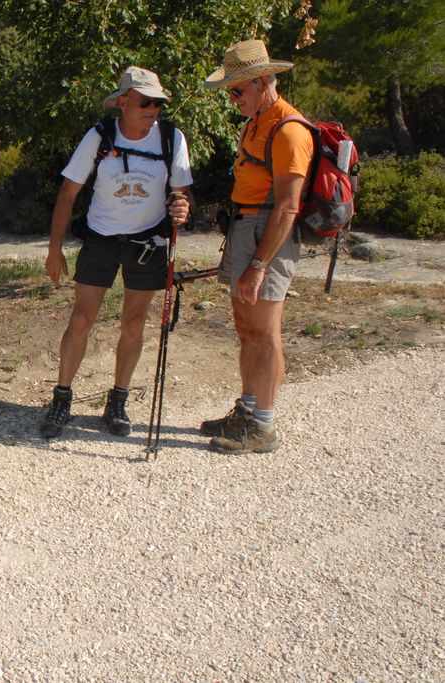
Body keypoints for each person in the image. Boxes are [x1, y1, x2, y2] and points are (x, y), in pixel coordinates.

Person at [41, 66, 194, 439]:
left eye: (157, 102)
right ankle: (62, 399)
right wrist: (55, 250)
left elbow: (182, 192)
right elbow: (68, 194)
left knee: (133, 323)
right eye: (145, 101)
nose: (153, 108)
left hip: (147, 243)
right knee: (82, 319)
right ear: (123, 103)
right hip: (101, 238)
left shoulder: (172, 138)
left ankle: (118, 401)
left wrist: (182, 207)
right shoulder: (99, 136)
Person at [200, 39, 314, 454]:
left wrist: (259, 264)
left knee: (264, 332)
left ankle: (263, 426)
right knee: (245, 326)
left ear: (265, 82)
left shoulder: (289, 129)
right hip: (245, 226)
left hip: (267, 233)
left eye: (237, 90)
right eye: (230, 90)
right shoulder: (257, 121)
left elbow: (288, 206)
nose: (232, 99)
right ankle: (247, 412)